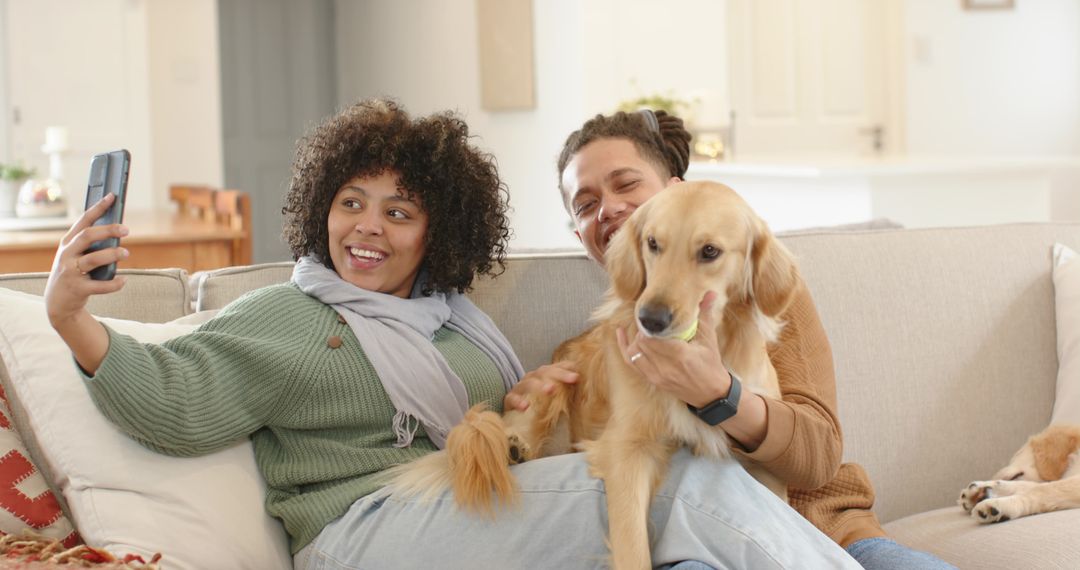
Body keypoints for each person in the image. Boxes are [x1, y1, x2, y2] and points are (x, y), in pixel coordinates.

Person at [44, 99, 857, 569]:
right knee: (682, 491)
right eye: (351, 202)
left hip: (463, 517)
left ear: (439, 231)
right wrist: (71, 317)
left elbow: (513, 432)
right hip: (361, 532)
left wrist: (527, 403)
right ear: (319, 206)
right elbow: (172, 401)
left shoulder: (455, 324)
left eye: (400, 212)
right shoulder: (289, 316)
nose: (368, 229)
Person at [519, 107, 956, 570]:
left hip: (829, 534)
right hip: (692, 547)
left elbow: (819, 455)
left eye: (626, 184)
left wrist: (720, 395)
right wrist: (535, 407)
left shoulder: (761, 293)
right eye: (585, 204)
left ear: (675, 190)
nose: (608, 208)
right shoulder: (611, 342)